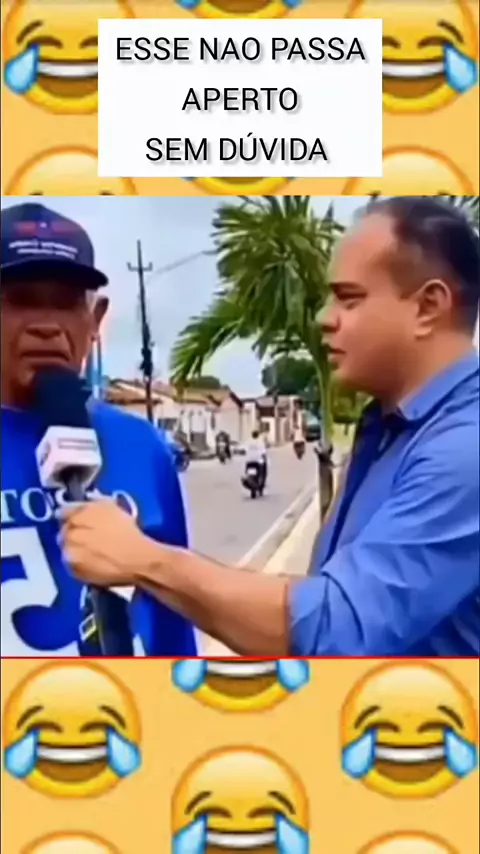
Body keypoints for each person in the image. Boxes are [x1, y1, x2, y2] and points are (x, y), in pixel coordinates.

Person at [61, 197, 480, 656]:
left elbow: (336, 630)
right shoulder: (388, 426)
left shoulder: (464, 448)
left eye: (349, 298)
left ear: (428, 307)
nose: (324, 318)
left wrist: (145, 559)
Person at [0, 202, 197, 657]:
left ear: (96, 318)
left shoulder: (143, 448)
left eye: (67, 302)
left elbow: (173, 626)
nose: (47, 325)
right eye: (21, 299)